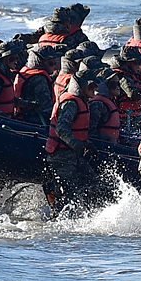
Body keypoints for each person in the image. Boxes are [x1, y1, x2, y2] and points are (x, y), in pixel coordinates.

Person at [42, 69, 99, 215]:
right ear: (80, 88)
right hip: (61, 156)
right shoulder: (71, 104)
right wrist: (76, 144)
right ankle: (60, 222)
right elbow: (61, 129)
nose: (94, 89)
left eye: (95, 85)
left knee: (93, 184)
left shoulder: (81, 101)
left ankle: (90, 215)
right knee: (67, 194)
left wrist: (85, 143)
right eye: (90, 86)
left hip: (73, 155)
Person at [13, 44, 61, 125]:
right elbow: (46, 108)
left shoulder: (26, 71)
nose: (54, 66)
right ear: (41, 63)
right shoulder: (40, 80)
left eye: (55, 62)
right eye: (51, 63)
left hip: (21, 116)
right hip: (36, 121)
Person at [88, 71, 121, 144]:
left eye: (119, 83)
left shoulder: (109, 102)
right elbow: (89, 132)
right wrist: (107, 138)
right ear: (104, 85)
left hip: (110, 144)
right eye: (114, 84)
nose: (118, 87)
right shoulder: (98, 104)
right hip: (100, 147)